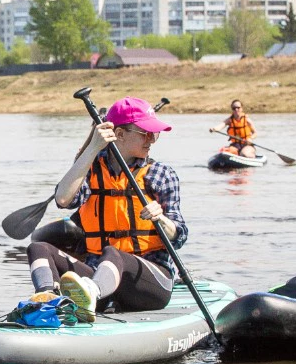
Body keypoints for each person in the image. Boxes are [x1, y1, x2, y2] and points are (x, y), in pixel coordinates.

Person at [23, 96, 186, 322]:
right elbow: (62, 199)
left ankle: (89, 295)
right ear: (119, 135)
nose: (152, 140)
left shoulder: (161, 174)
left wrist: (162, 220)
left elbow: (179, 236)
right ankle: (47, 299)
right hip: (100, 275)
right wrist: (92, 149)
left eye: (154, 134)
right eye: (145, 133)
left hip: (149, 282)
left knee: (114, 253)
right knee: (39, 248)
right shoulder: (91, 169)